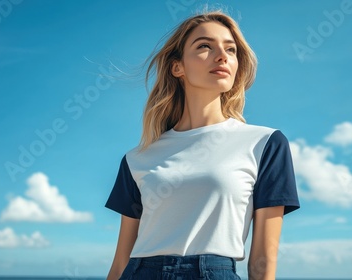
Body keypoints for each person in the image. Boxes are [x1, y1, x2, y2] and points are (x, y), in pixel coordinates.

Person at [105, 10, 299, 280]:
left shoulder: (265, 144)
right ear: (177, 67)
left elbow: (263, 262)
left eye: (230, 50)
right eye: (205, 46)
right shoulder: (137, 158)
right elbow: (120, 264)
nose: (222, 56)